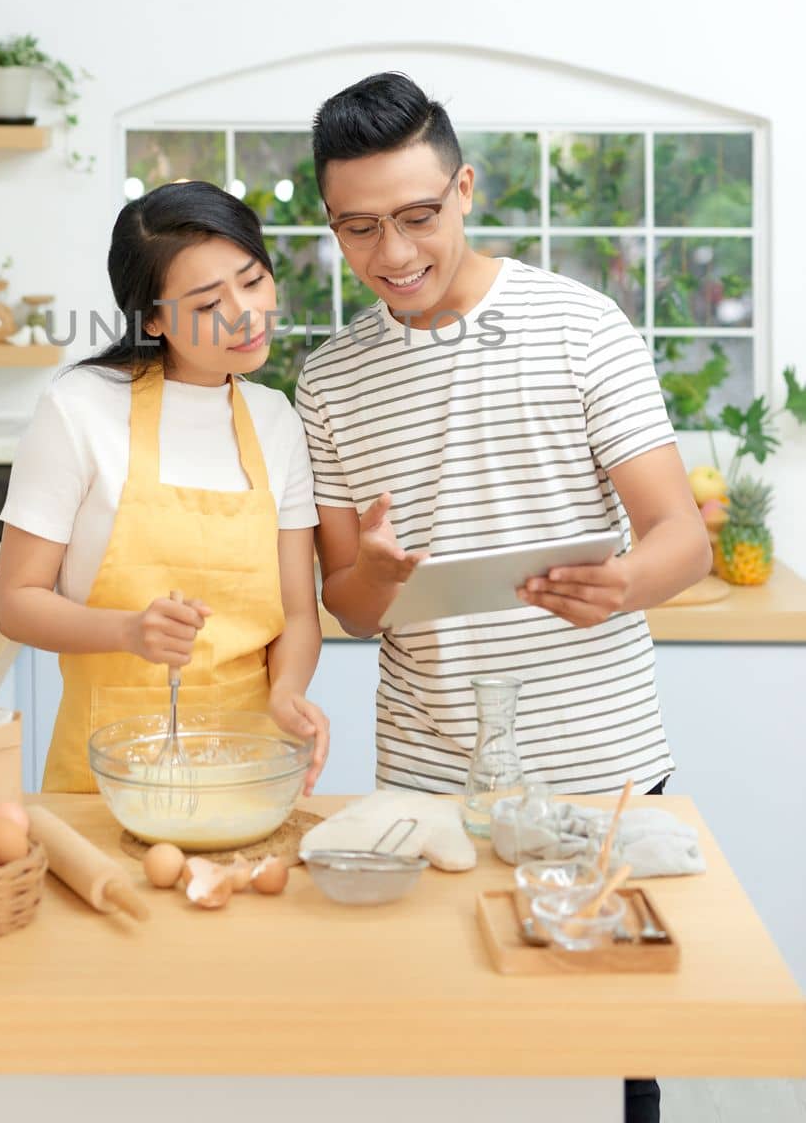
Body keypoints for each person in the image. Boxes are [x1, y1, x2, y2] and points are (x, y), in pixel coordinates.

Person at [295, 73, 711, 1123]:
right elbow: (349, 608)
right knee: (452, 1059)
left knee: (606, 1058)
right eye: (359, 229)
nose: (392, 256)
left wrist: (622, 585)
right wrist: (379, 575)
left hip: (599, 779)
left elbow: (682, 537)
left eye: (417, 217)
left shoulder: (580, 325)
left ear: (465, 189)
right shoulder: (330, 379)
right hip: (430, 786)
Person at [0, 179, 329, 795]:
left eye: (253, 281)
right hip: (108, 779)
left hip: (248, 769)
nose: (244, 314)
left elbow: (298, 615)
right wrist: (127, 632)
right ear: (151, 317)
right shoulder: (80, 409)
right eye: (206, 305)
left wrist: (287, 692)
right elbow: (15, 602)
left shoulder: (276, 419)